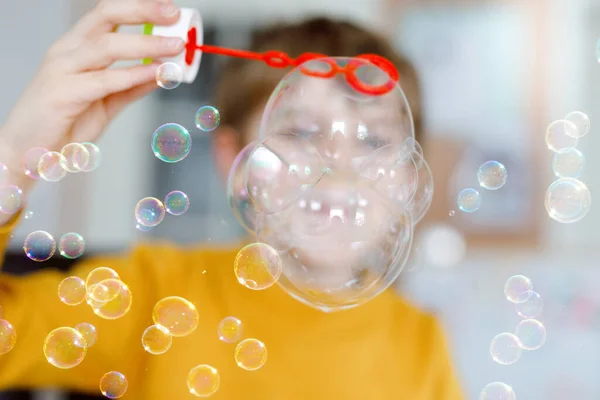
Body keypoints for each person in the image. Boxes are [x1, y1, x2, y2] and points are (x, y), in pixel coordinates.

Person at [0, 1, 463, 399]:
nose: (337, 168)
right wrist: (11, 163)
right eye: (302, 132)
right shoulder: (159, 293)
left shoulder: (422, 342)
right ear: (235, 159)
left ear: (408, 176)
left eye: (372, 139)